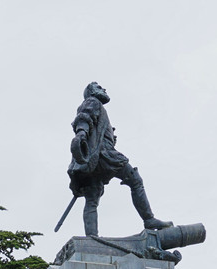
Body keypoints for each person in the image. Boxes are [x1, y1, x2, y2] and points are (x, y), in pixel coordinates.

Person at [66, 82, 173, 237]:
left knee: (91, 201)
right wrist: (81, 133)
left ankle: (92, 238)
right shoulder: (92, 102)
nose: (103, 89)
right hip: (103, 155)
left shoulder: (96, 105)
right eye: (98, 86)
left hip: (90, 162)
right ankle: (149, 219)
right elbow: (84, 117)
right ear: (90, 91)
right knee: (135, 180)